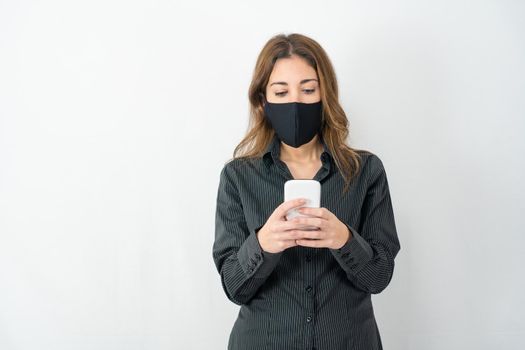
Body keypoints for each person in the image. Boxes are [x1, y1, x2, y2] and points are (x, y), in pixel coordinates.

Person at [212, 33, 401, 350]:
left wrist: (343, 239)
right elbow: (234, 288)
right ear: (263, 101)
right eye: (281, 92)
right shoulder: (237, 177)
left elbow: (379, 277)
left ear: (325, 94)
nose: (295, 103)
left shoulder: (366, 172)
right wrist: (264, 243)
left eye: (308, 89)